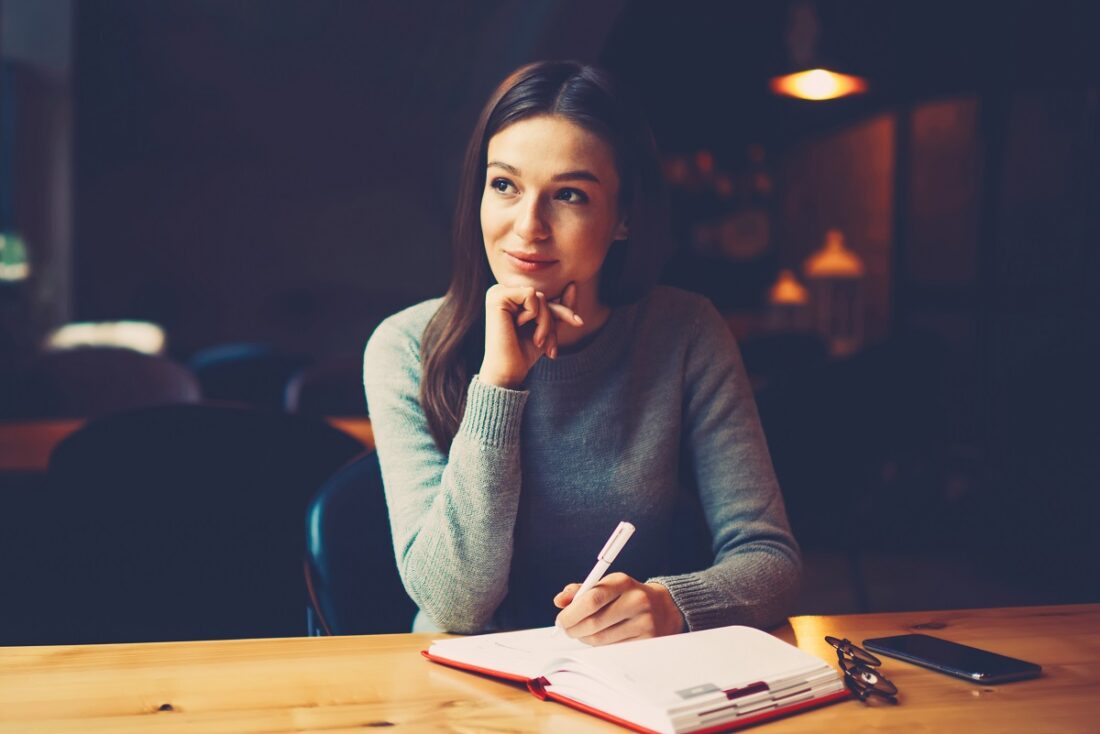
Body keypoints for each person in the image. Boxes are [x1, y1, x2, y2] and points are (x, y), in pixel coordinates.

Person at [364, 60, 800, 644]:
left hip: (634, 681)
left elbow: (770, 558)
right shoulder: (405, 346)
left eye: (569, 194)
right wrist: (498, 386)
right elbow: (455, 603)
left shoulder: (684, 331)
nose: (528, 226)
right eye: (505, 185)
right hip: (465, 694)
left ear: (622, 218)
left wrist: (671, 605)